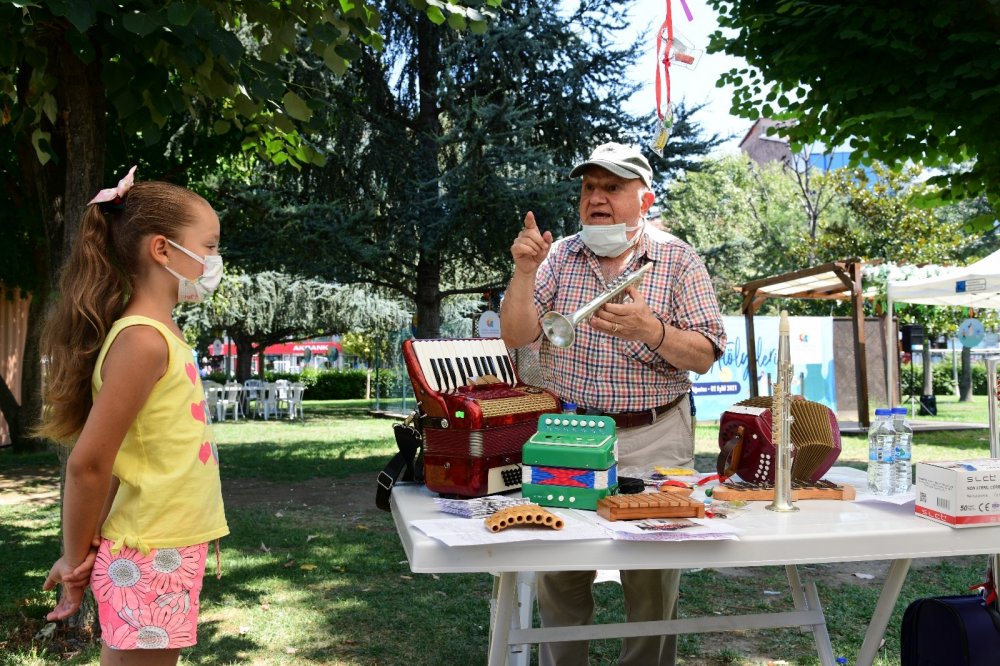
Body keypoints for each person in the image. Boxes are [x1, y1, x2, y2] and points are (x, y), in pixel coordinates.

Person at [499, 142, 726, 666]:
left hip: (656, 434)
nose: (596, 198)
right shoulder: (556, 257)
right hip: (570, 434)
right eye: (588, 187)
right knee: (559, 566)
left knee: (652, 578)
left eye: (612, 187)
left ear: (644, 199)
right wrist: (525, 272)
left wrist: (653, 329)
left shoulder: (678, 258)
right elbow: (517, 335)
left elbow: (705, 354)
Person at [37, 166, 229, 665]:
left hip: (165, 543)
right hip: (151, 549)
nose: (214, 260)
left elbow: (128, 463)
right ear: (162, 249)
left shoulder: (161, 335)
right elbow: (88, 465)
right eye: (208, 247)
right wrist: (73, 556)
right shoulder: (143, 340)